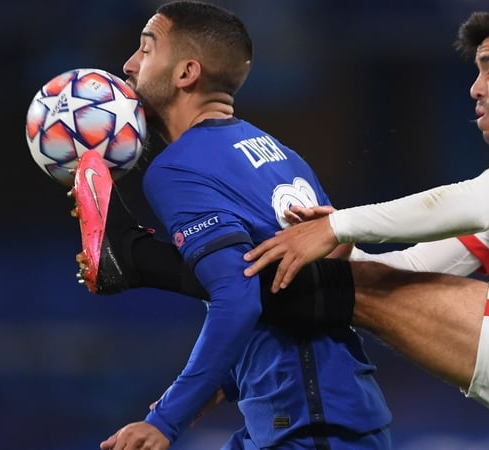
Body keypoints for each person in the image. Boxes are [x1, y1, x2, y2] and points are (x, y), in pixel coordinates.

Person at [75, 0, 489, 448]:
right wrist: (328, 258)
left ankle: (136, 259)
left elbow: (476, 204)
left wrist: (337, 229)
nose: (475, 87)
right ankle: (137, 261)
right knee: (355, 283)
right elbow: (404, 273)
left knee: (345, 283)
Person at [71, 2, 392, 449]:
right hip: (318, 412)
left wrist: (165, 421)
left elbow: (237, 298)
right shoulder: (279, 152)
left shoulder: (179, 168)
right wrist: (222, 384)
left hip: (307, 426)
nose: (128, 66)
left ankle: (132, 258)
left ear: (186, 73)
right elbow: (311, 279)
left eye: (146, 50)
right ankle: (131, 258)